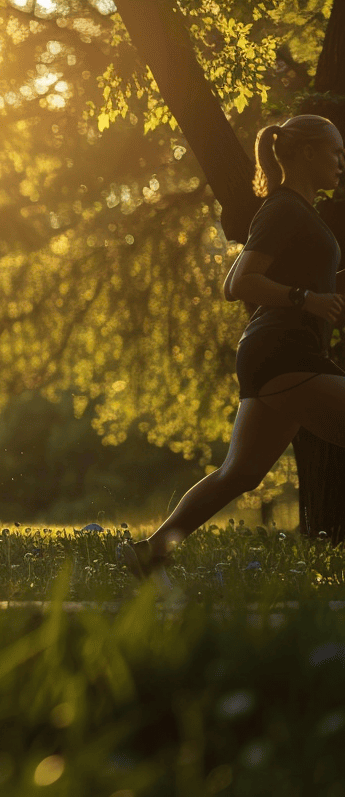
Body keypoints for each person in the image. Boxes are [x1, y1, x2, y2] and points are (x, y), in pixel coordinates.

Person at [122, 114, 345, 578]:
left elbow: (311, 285)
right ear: (306, 152)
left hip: (276, 355)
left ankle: (151, 552)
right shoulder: (284, 208)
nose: (342, 161)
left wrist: (323, 293)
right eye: (335, 152)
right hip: (283, 353)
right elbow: (238, 283)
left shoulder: (300, 211)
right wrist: (307, 299)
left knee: (239, 474)